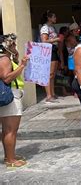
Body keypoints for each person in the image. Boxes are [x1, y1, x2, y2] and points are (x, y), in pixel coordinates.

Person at [0, 34, 29, 168]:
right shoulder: (4, 59)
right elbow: (6, 78)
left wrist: (17, 59)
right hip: (11, 96)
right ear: (6, 46)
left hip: (12, 95)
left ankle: (9, 155)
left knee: (7, 129)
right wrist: (22, 66)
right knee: (10, 130)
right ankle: (10, 159)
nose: (15, 46)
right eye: (13, 44)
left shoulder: (6, 58)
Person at [40, 10, 61, 103]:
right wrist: (56, 39)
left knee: (53, 74)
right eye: (54, 17)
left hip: (54, 49)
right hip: (49, 50)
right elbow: (44, 41)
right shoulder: (45, 28)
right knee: (49, 74)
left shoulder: (52, 27)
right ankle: (48, 95)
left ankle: (52, 93)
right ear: (49, 18)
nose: (55, 18)